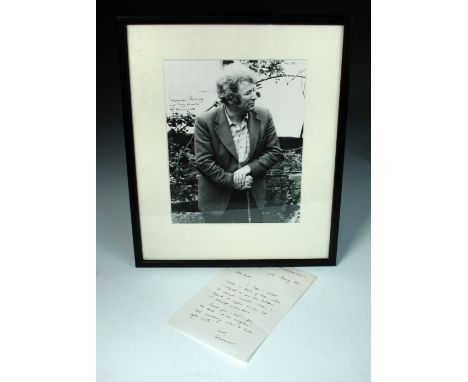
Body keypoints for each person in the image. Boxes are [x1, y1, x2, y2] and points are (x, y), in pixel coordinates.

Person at [194, 63, 283, 223]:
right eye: (249, 92)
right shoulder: (205, 121)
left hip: (253, 196)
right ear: (231, 98)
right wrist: (232, 180)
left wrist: (247, 169)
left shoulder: (264, 115)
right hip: (218, 202)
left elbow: (274, 151)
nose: (256, 96)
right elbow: (203, 162)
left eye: (255, 90)